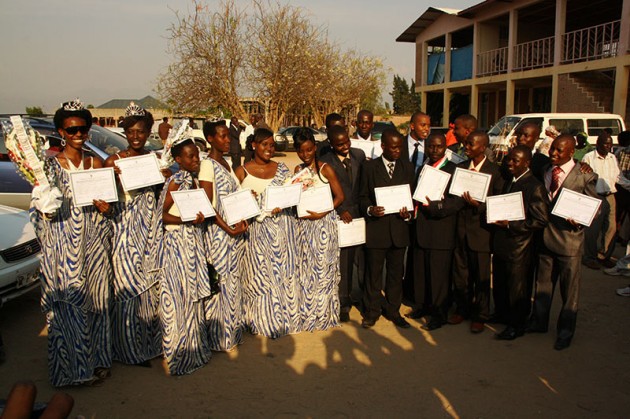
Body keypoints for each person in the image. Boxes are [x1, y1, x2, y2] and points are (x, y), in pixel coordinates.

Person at [31, 99, 114, 386]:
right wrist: (44, 208)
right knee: (70, 306)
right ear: (61, 132)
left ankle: (99, 360)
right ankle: (74, 370)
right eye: (73, 129)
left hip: (94, 246)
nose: (79, 134)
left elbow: (111, 208)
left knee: (98, 304)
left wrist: (107, 209)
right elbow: (37, 210)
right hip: (64, 249)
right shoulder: (50, 168)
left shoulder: (97, 163)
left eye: (84, 129)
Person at [103, 103, 163, 367]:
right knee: (127, 290)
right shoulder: (113, 161)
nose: (136, 136)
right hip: (124, 233)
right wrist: (113, 180)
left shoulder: (155, 159)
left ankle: (148, 344)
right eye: (131, 132)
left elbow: (162, 198)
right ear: (125, 132)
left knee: (150, 290)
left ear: (148, 132)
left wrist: (165, 177)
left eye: (141, 132)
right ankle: (128, 350)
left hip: (150, 232)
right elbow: (104, 203)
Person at [528, 134, 599, 350]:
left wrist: (580, 221)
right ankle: (539, 322)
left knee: (569, 292)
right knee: (543, 285)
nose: (554, 154)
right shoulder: (545, 169)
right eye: (552, 150)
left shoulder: (584, 175)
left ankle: (565, 331)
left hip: (569, 241)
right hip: (545, 238)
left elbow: (594, 207)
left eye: (560, 151)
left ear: (571, 152)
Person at [154, 139, 212, 374]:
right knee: (179, 296)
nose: (196, 160)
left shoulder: (192, 179)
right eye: (190, 157)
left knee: (192, 296)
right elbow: (162, 215)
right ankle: (178, 351)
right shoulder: (176, 181)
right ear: (178, 160)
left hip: (192, 243)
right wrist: (186, 220)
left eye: (197, 155)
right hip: (178, 244)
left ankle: (194, 347)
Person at [234, 128, 301, 338]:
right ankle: (261, 319)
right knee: (259, 277)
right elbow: (233, 205)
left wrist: (284, 202)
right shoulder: (242, 171)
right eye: (265, 145)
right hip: (256, 234)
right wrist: (248, 198)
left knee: (281, 274)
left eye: (272, 146)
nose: (269, 149)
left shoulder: (282, 169)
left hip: (282, 231)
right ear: (254, 145)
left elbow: (292, 195)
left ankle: (282, 318)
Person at [199, 120, 249, 352]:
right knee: (221, 284)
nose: (227, 140)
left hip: (234, 232)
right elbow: (207, 205)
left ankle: (231, 332)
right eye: (222, 136)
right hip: (219, 234)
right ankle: (218, 336)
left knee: (232, 282)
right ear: (210, 138)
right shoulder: (207, 165)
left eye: (228, 136)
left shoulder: (227, 163)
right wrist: (227, 228)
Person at [448, 130, 504, 333]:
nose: (466, 147)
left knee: (480, 274)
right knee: (461, 273)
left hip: (481, 231)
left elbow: (497, 201)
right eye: (466, 144)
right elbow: (452, 196)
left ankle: (480, 314)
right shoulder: (460, 168)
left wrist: (478, 205)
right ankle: (461, 309)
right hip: (460, 229)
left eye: (471, 144)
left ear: (483, 147)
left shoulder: (494, 171)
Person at [359, 128, 415, 329]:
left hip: (399, 231)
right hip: (377, 230)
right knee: (373, 274)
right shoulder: (369, 168)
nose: (397, 151)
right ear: (382, 146)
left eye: (400, 147)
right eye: (393, 147)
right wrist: (370, 209)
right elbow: (362, 196)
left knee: (395, 275)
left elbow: (412, 199)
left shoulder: (407, 168)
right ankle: (372, 311)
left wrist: (407, 213)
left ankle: (393, 310)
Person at [492, 146, 549, 340]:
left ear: (527, 163)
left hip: (520, 247)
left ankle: (516, 325)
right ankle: (502, 315)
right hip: (502, 243)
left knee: (518, 288)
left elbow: (540, 220)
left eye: (515, 161)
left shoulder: (534, 186)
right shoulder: (510, 180)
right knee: (501, 282)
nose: (510, 163)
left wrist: (511, 225)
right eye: (509, 159)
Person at [292, 128, 345, 331]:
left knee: (323, 271)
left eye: (308, 150)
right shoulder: (297, 171)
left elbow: (340, 197)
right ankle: (308, 313)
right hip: (305, 226)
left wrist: (321, 213)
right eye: (300, 151)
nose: (304, 155)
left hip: (323, 225)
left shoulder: (326, 169)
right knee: (306, 270)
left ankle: (324, 315)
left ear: (314, 148)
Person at [408, 133, 461, 330]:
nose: (434, 150)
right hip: (421, 226)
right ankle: (425, 306)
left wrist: (436, 207)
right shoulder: (423, 167)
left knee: (439, 275)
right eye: (430, 146)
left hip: (441, 229)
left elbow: (456, 201)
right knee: (422, 271)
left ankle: (439, 313)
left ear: (445, 147)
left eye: (438, 147)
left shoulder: (453, 169)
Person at [319, 125, 366, 322]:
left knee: (364, 261)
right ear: (331, 144)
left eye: (347, 141)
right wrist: (339, 210)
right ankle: (344, 303)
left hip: (362, 215)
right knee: (344, 263)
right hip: (342, 218)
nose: (345, 146)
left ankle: (364, 299)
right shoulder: (325, 162)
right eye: (340, 144)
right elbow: (324, 193)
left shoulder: (359, 155)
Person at [581, 133, 620, 269]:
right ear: (598, 143)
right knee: (593, 229)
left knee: (611, 227)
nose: (608, 146)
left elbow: (617, 176)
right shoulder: (589, 157)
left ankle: (603, 255)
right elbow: (585, 178)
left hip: (610, 195)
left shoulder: (612, 157)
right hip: (595, 195)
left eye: (610, 144)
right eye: (605, 143)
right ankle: (589, 257)